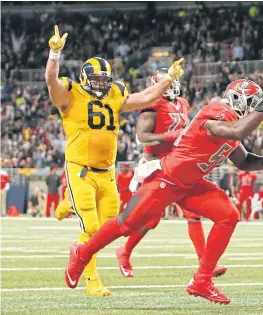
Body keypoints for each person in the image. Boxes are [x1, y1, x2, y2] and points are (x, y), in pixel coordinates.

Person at [64, 72, 263, 305]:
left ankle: (201, 280)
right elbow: (237, 131)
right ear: (239, 99)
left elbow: (245, 162)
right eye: (254, 104)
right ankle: (82, 254)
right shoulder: (217, 111)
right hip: (166, 179)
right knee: (126, 224)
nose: (255, 110)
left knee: (228, 215)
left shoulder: (231, 124)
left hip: (190, 184)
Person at [45, 25, 184, 296]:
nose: (101, 84)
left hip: (107, 171)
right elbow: (52, 81)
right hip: (80, 169)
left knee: (110, 227)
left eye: (104, 79)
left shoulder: (115, 95)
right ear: (85, 79)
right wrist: (54, 53)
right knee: (92, 227)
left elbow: (145, 97)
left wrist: (167, 79)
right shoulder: (71, 94)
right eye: (96, 79)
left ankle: (67, 200)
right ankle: (92, 280)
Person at [115, 68, 225, 278]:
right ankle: (124, 252)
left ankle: (205, 264)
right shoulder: (152, 104)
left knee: (194, 215)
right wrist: (170, 136)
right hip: (156, 164)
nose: (173, 85)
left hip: (179, 164)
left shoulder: (182, 103)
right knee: (151, 219)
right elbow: (142, 137)